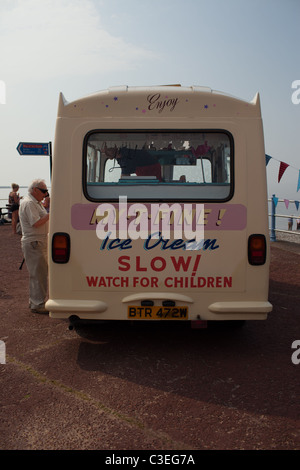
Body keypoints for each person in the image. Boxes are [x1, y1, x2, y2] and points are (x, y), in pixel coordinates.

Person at [19, 179, 50, 314]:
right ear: (35, 190)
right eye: (44, 191)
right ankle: (38, 303)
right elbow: (36, 223)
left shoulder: (34, 202)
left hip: (37, 241)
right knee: (38, 274)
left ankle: (35, 301)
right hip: (35, 242)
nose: (46, 193)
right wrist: (51, 214)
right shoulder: (30, 203)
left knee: (38, 274)